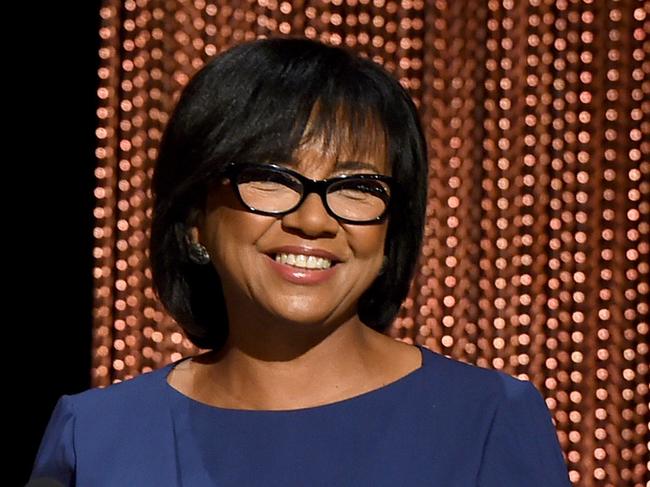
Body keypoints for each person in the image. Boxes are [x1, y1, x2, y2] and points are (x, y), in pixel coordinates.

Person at [31, 37, 570, 486]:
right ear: (195, 216)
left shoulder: (488, 419)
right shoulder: (96, 436)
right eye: (270, 178)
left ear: (391, 229)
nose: (313, 220)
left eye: (356, 186)